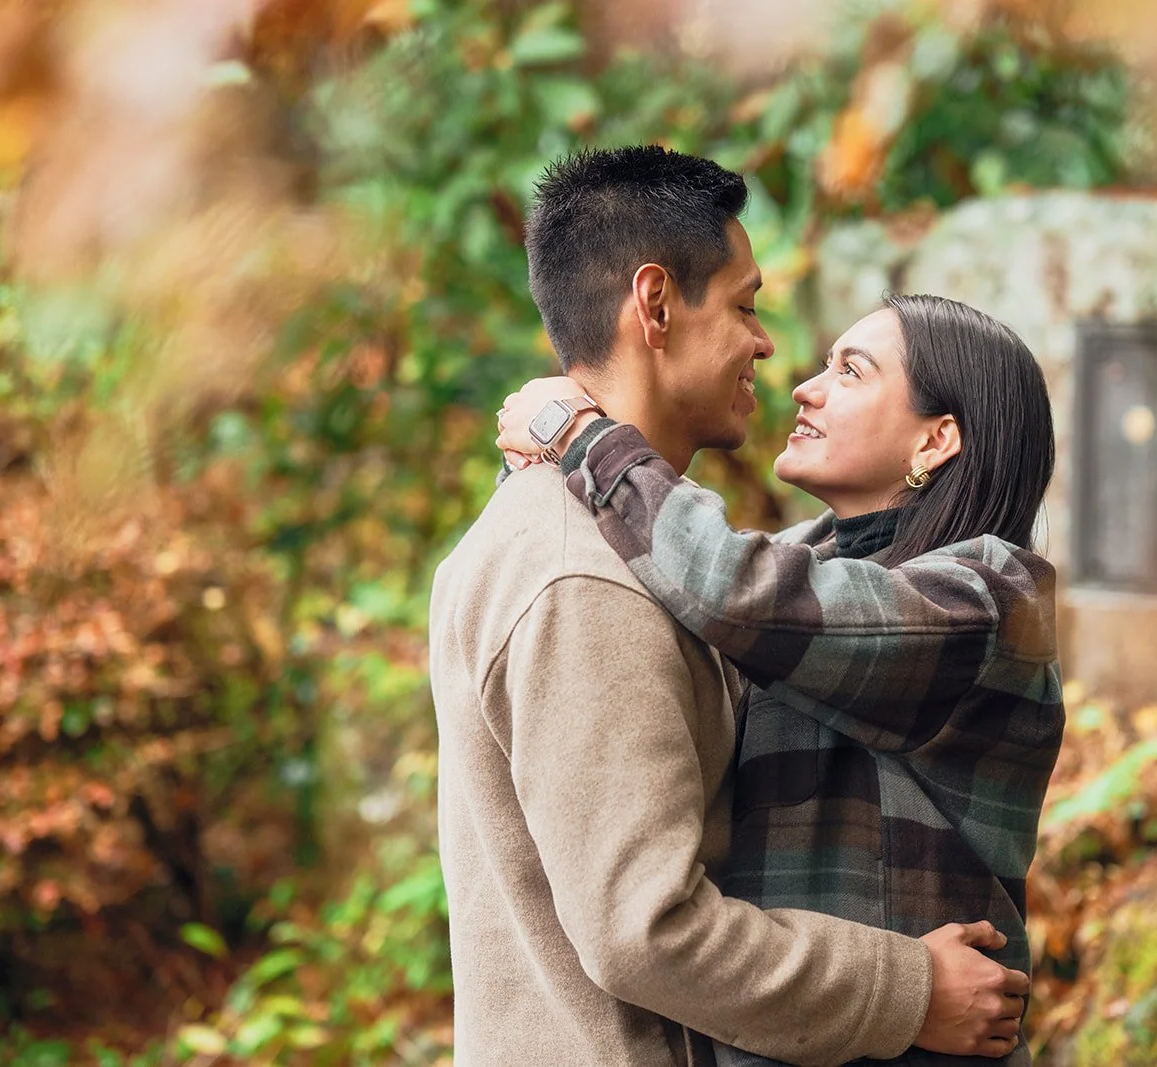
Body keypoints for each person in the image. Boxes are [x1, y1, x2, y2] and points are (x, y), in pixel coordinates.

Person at [430, 146, 1029, 1067]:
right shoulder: (586, 574)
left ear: (938, 438)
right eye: (746, 307)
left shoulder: (966, 600)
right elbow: (648, 929)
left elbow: (760, 585)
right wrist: (905, 988)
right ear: (656, 305)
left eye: (852, 372)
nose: (773, 351)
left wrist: (578, 437)